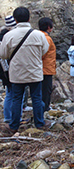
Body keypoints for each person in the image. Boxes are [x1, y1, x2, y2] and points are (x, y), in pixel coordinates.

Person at [0, 7, 49, 135]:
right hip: (35, 72)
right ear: (29, 18)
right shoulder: (39, 35)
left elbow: (3, 54)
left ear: (15, 20)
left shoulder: (8, 35)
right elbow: (45, 50)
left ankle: (14, 125)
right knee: (37, 98)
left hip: (17, 73)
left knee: (17, 99)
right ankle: (39, 123)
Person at [1, 15, 16, 123]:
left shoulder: (2, 36)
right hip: (7, 70)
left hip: (4, 70)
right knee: (11, 93)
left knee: (10, 93)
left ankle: (8, 116)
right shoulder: (6, 37)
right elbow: (4, 57)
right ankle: (9, 117)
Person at [39, 17, 56, 112]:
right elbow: (42, 53)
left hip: (40, 68)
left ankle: (42, 107)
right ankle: (45, 108)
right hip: (46, 69)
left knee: (40, 90)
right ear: (49, 27)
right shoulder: (47, 38)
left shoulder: (37, 36)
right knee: (46, 90)